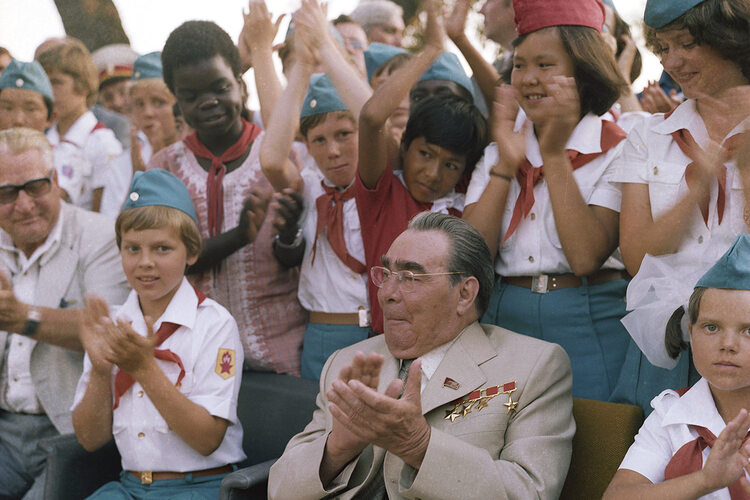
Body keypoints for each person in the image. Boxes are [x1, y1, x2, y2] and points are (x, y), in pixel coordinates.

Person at [268, 212, 575, 499]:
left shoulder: (534, 367)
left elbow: (529, 492)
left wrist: (420, 446)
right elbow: (280, 490)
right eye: (386, 274)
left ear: (465, 294)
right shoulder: (349, 363)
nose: (387, 293)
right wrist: (337, 448)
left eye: (410, 277)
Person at [462, 0, 630, 401]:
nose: (529, 78)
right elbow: (470, 254)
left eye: (545, 65)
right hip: (504, 318)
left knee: (595, 432)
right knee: (500, 430)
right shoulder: (500, 148)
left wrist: (554, 156)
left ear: (583, 70)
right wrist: (505, 166)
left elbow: (585, 256)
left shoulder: (618, 149)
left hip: (589, 318)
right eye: (520, 65)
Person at [610, 0, 750, 413]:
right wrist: (696, 188)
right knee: (655, 449)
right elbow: (636, 255)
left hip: (744, 347)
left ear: (729, 40)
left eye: (686, 44)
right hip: (665, 347)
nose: (671, 62)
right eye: (663, 48)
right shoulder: (649, 136)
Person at [72, 168, 247, 498]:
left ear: (191, 252)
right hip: (130, 486)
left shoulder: (214, 324)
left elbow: (207, 440)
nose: (145, 262)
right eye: (132, 248)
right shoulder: (114, 324)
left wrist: (143, 368)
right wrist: (99, 371)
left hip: (200, 485)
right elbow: (90, 440)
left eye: (162, 248)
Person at [151, 20, 306, 375]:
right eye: (191, 96)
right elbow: (167, 260)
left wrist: (289, 233)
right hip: (196, 356)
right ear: (176, 100)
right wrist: (239, 237)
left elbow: (296, 259)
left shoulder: (279, 155)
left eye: (220, 88)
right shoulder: (165, 167)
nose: (208, 102)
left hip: (278, 348)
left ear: (240, 84)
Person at [0, 128, 128, 499]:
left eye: (35, 187)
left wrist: (24, 319)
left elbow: (109, 331)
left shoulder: (100, 237)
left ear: (56, 180)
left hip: (69, 435)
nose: (24, 205)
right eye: (7, 193)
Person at [357, 0, 487, 335]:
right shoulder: (382, 194)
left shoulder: (467, 197)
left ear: (464, 169)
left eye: (450, 164)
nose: (432, 173)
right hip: (388, 343)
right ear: (404, 146)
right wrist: (430, 49)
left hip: (458, 348)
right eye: (425, 154)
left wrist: (460, 38)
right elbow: (371, 118)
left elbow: (501, 107)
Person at [260, 0, 373, 380]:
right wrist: (303, 66)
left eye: (344, 134)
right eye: (319, 140)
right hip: (323, 334)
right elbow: (272, 160)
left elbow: (372, 115)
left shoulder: (380, 179)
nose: (333, 150)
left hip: (380, 332)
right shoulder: (308, 184)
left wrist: (326, 45)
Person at [604, 234, 750, 499]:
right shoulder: (669, 414)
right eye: (711, 327)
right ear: (691, 333)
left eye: (748, 330)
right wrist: (704, 481)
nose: (728, 344)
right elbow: (616, 496)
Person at [38, 37, 123, 212]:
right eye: (45, 83)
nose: (48, 92)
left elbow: (104, 217)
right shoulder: (43, 139)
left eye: (56, 82)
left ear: (83, 85)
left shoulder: (102, 142)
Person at [100, 51, 179, 219]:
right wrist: (136, 184)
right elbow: (115, 228)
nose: (147, 113)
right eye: (139, 104)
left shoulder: (196, 154)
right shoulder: (122, 163)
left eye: (159, 102)